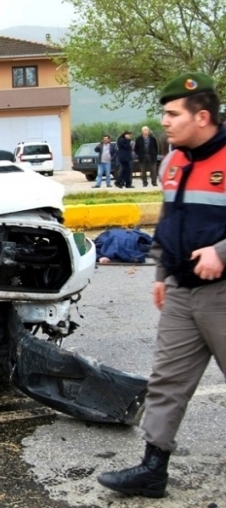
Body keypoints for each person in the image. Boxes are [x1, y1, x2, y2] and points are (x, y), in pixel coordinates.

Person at [97, 72, 226, 498]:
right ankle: (153, 469)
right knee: (167, 381)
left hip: (223, 293)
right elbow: (168, 223)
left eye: (173, 114)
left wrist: (220, 252)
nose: (165, 121)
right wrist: (160, 273)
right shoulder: (173, 162)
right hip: (181, 292)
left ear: (202, 115)